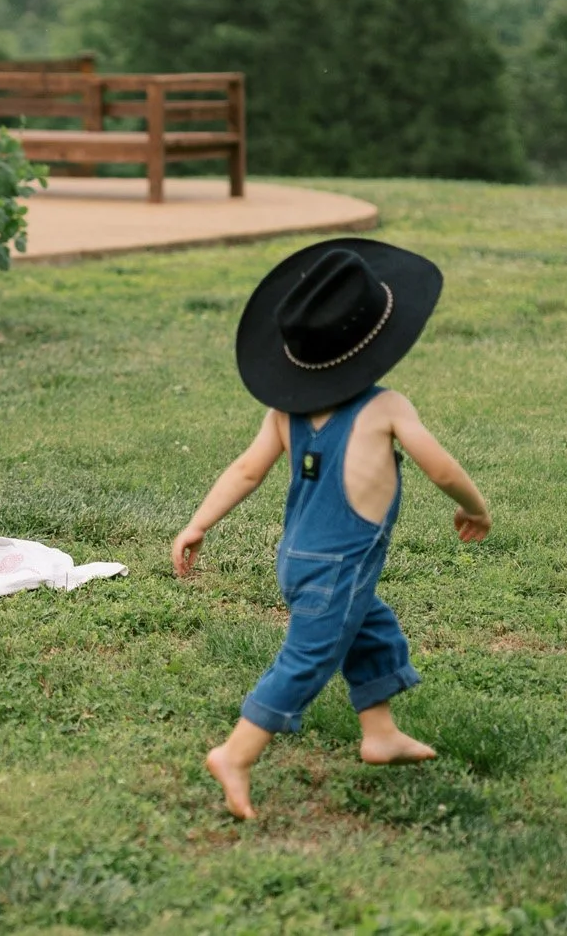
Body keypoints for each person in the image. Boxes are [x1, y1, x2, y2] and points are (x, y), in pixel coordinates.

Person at [171, 238, 493, 820]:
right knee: (307, 660)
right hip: (338, 565)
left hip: (298, 558)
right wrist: (475, 508)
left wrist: (198, 524)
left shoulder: (285, 413)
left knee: (370, 626)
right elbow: (440, 466)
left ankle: (380, 732)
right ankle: (236, 753)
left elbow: (245, 470)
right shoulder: (388, 407)